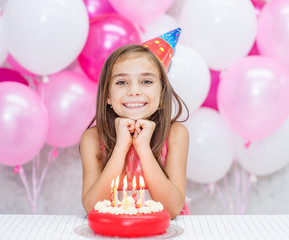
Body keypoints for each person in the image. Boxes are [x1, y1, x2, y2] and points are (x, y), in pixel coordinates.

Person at [80, 28, 190, 219]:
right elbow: (92, 207)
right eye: (122, 82)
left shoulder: (176, 134)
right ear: (107, 95)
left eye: (146, 81)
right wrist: (122, 145)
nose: (134, 91)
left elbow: (171, 209)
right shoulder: (92, 138)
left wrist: (143, 147)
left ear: (162, 93)